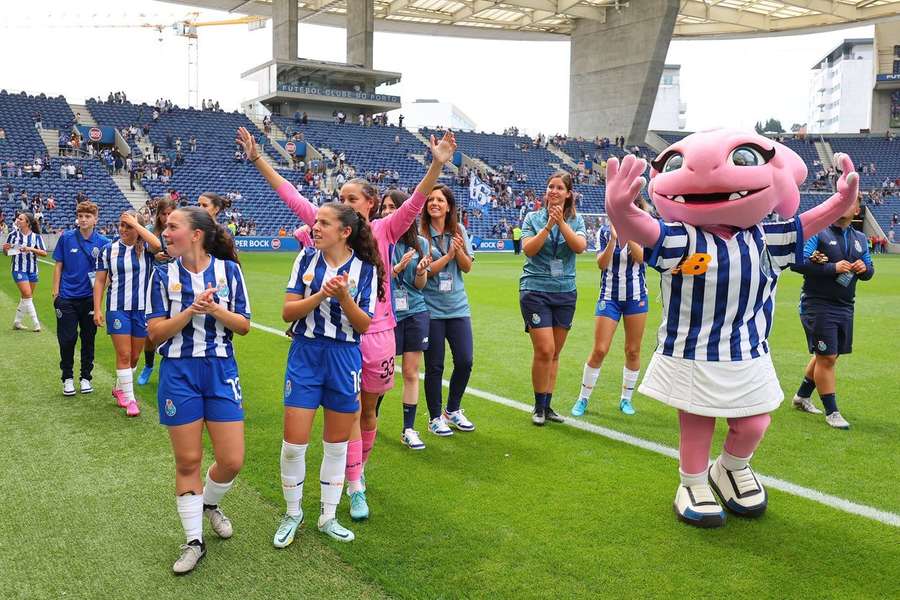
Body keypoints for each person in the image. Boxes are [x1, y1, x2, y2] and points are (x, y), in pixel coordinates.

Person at [605, 135, 859, 529]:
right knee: (697, 422)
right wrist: (619, 208)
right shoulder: (680, 239)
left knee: (756, 421)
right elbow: (642, 228)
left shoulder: (766, 238)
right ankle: (691, 482)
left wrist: (841, 202)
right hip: (693, 351)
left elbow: (807, 223)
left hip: (748, 350)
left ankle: (730, 468)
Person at [237, 126, 455, 522]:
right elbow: (291, 195)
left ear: (370, 204)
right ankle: (353, 486)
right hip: (339, 340)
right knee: (350, 413)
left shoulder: (386, 229)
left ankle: (357, 477)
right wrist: (257, 159)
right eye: (341, 199)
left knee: (369, 412)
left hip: (379, 334)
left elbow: (418, 199)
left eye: (351, 199)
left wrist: (437, 165)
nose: (344, 204)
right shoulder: (330, 230)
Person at [146, 206, 251, 574]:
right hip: (179, 372)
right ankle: (194, 541)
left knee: (232, 459)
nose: (165, 231)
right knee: (188, 460)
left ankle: (209, 504)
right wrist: (189, 311)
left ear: (195, 234)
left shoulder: (229, 271)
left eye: (173, 226)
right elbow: (154, 334)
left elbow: (243, 325)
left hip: (221, 371)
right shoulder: (161, 274)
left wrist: (214, 310)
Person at [274, 202, 383, 547]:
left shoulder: (365, 269)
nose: (315, 228)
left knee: (336, 446)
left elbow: (363, 324)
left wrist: (344, 297)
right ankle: (293, 513)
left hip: (344, 358)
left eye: (323, 223)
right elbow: (287, 311)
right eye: (315, 221)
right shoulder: (305, 259)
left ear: (345, 231)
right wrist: (322, 293)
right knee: (294, 444)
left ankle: (328, 516)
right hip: (305, 354)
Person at [790, 194, 874, 429]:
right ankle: (832, 412)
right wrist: (832, 268)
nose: (844, 206)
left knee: (828, 355)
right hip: (817, 304)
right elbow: (798, 262)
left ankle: (801, 397)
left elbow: (870, 271)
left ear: (857, 210)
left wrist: (863, 267)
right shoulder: (819, 232)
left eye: (850, 202)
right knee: (826, 357)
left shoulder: (859, 237)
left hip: (845, 305)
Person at [518, 172, 587, 425]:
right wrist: (549, 225)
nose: (553, 191)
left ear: (568, 193)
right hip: (535, 290)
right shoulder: (532, 218)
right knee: (545, 349)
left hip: (565, 292)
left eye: (559, 187)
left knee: (555, 353)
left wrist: (562, 224)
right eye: (550, 187)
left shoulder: (576, 221)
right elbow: (528, 249)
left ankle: (547, 406)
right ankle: (538, 405)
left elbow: (579, 247)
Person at [572, 206, 649, 418]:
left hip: (636, 298)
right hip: (609, 297)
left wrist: (629, 235)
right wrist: (614, 239)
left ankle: (626, 399)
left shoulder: (643, 230)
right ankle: (583, 398)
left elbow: (643, 259)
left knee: (633, 350)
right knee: (600, 349)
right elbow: (601, 264)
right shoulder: (604, 232)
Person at [93, 212, 162, 417]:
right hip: (117, 308)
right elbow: (99, 281)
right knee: (123, 354)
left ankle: (119, 387)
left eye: (128, 226)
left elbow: (158, 245)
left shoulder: (147, 249)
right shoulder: (108, 250)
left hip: (142, 310)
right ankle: (131, 400)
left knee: (134, 356)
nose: (123, 229)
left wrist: (137, 225)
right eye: (121, 225)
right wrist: (97, 308)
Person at [421, 184, 476, 436]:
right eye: (431, 200)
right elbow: (427, 271)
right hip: (430, 308)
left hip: (457, 307)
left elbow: (466, 268)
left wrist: (458, 251)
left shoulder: (459, 230)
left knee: (465, 361)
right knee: (435, 366)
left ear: (449, 206)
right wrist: (448, 255)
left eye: (440, 200)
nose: (434, 203)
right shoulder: (420, 233)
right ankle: (434, 417)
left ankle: (452, 410)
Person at [382, 190, 432, 450]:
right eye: (385, 207)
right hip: (385, 316)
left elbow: (419, 285)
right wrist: (397, 269)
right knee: (380, 374)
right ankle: (370, 417)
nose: (389, 211)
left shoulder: (421, 244)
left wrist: (421, 271)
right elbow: (376, 280)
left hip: (415, 311)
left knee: (412, 372)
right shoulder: (378, 239)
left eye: (394, 207)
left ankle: (408, 429)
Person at [52, 201, 110, 396]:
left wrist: (99, 298)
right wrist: (55, 292)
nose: (83, 220)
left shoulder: (103, 243)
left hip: (89, 299)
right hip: (66, 297)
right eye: (81, 216)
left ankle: (86, 377)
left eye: (88, 216)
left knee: (88, 339)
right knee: (67, 339)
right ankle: (67, 378)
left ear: (95, 219)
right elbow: (58, 265)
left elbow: (106, 274)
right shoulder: (66, 238)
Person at [137, 198, 177, 386]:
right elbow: (144, 253)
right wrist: (154, 255)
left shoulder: (180, 230)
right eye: (163, 214)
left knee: (175, 328)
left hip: (176, 286)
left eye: (170, 214)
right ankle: (148, 365)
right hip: (153, 285)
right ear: (158, 215)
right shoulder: (152, 232)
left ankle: (170, 369)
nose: (167, 217)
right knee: (150, 331)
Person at [4, 212, 48, 331]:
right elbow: (7, 253)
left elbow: (44, 253)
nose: (17, 220)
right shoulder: (13, 235)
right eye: (18, 218)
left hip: (32, 270)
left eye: (21, 219)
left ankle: (17, 322)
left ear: (27, 223)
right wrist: (5, 249)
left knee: (26, 297)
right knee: (28, 295)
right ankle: (36, 324)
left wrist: (30, 249)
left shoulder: (36, 237)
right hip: (18, 269)